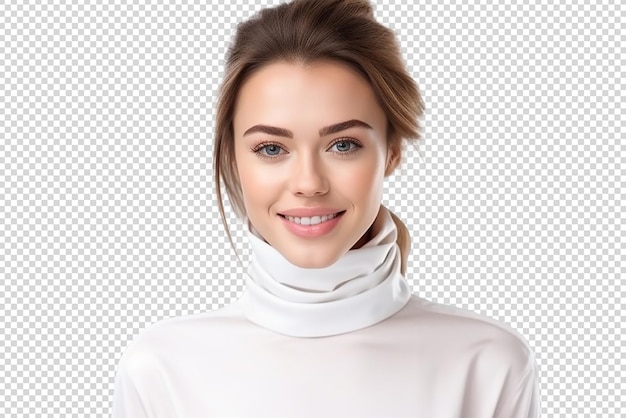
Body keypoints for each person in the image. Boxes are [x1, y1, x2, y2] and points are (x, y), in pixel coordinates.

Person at [111, 0, 541, 416]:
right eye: (272, 148)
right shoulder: (160, 369)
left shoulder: (487, 363)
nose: (308, 184)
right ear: (233, 158)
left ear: (391, 152)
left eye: (343, 144)